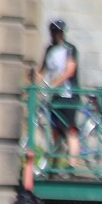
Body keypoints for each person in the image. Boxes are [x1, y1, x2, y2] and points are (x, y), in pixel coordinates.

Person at [36, 19, 81, 171]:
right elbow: (41, 71)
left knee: (70, 131)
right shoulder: (49, 50)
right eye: (54, 32)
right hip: (54, 97)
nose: (56, 35)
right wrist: (31, 83)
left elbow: (69, 70)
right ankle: (55, 164)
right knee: (55, 131)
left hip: (68, 96)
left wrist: (52, 84)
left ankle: (72, 166)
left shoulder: (69, 49)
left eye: (59, 32)